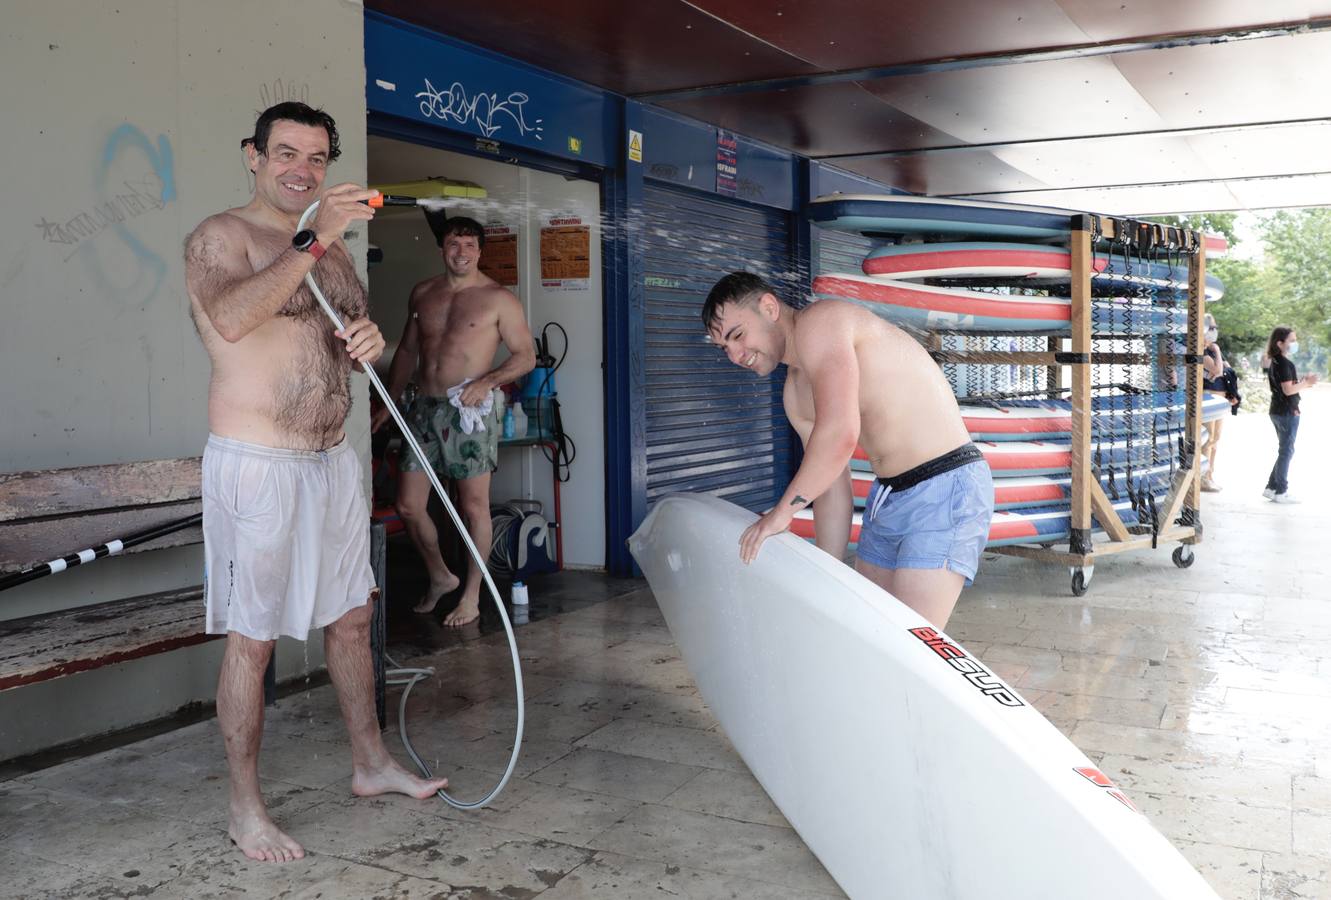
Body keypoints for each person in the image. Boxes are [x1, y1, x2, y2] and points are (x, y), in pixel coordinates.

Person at [184, 102, 448, 863]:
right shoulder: (221, 236)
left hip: (331, 461)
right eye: (287, 153)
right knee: (254, 641)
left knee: (354, 619)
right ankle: (245, 808)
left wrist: (364, 342)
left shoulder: (329, 253)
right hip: (258, 464)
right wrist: (316, 235)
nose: (303, 170)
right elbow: (233, 318)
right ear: (254, 155)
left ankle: (369, 764)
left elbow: (334, 340)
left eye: (317, 157)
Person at [702, 272, 994, 629]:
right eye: (723, 348)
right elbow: (829, 486)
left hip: (945, 485)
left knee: (910, 646)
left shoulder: (821, 322)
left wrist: (782, 513)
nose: (734, 355)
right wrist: (829, 569)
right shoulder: (795, 393)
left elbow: (841, 434)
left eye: (737, 335)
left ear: (769, 307)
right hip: (888, 496)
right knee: (867, 634)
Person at [372, 217, 535, 626]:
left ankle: (472, 595)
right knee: (408, 505)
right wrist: (390, 403)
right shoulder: (423, 293)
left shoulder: (499, 300)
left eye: (468, 245)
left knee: (472, 505)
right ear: (442, 249)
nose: (460, 252)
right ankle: (441, 576)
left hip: (469, 410)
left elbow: (525, 356)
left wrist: (487, 381)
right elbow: (407, 353)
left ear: (480, 251)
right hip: (423, 409)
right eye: (452, 244)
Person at [1262, 326, 1318, 503]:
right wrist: (1306, 383)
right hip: (1286, 411)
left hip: (1277, 410)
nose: (1295, 343)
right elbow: (1288, 390)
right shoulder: (1285, 364)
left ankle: (1271, 488)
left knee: (1284, 450)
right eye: (1292, 340)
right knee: (1286, 451)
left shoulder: (1276, 361)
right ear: (1280, 343)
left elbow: (1286, 388)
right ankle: (1281, 491)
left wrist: (1303, 383)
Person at [1199, 313, 1236, 492]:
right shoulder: (1203, 351)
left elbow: (1224, 373)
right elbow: (1218, 370)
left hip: (1220, 399)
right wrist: (1218, 353)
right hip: (1208, 399)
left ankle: (1210, 474)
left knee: (1215, 440)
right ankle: (1202, 478)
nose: (1214, 331)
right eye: (1210, 327)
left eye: (1215, 327)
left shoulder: (1211, 351)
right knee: (1207, 440)